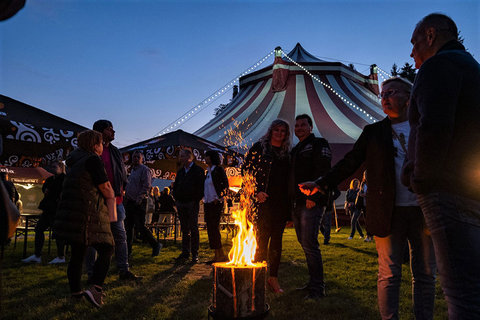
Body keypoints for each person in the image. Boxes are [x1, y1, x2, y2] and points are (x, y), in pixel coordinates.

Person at [300, 77, 436, 319]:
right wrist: (321, 183)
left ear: (409, 98)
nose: (384, 97)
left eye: (391, 92)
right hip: (387, 210)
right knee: (389, 272)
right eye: (382, 93)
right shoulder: (374, 132)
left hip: (423, 209)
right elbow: (350, 162)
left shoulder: (425, 127)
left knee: (425, 272)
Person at [402, 13, 480, 318]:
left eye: (414, 42)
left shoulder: (438, 66)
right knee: (473, 284)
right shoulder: (472, 69)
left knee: (461, 292)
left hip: (446, 189)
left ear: (431, 35)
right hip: (470, 187)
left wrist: (420, 177)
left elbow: (433, 127)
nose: (411, 53)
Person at [53, 130, 116, 308]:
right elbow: (104, 186)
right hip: (87, 212)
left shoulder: (73, 161)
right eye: (101, 143)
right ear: (95, 144)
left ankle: (76, 293)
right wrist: (111, 195)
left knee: (78, 253)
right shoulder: (93, 160)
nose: (103, 146)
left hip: (72, 212)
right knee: (107, 247)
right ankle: (95, 288)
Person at [85, 120, 141, 281]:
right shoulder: (91, 150)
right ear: (100, 132)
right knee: (92, 238)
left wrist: (122, 187)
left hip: (115, 200)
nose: (114, 132)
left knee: (120, 236)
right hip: (96, 200)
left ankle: (124, 270)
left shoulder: (115, 151)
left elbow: (121, 172)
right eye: (110, 129)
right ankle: (91, 273)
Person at [243, 119, 291, 293]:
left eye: (283, 131)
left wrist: (289, 211)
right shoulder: (259, 148)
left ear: (286, 134)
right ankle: (258, 277)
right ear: (271, 131)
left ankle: (273, 278)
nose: (279, 133)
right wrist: (256, 192)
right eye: (276, 129)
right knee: (261, 240)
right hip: (263, 202)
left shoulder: (287, 153)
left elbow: (289, 181)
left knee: (277, 242)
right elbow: (246, 171)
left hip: (280, 203)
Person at [290, 114, 331, 299]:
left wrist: (314, 195)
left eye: (303, 125)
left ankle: (317, 288)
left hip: (311, 200)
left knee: (310, 244)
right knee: (304, 243)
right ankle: (312, 283)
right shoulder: (295, 149)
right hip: (298, 202)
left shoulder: (319, 144)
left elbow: (323, 170)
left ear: (310, 127)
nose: (299, 128)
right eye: (297, 125)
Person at [22, 161, 66, 264]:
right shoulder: (50, 179)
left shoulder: (64, 179)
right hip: (48, 209)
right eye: (52, 167)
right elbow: (45, 188)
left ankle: (61, 256)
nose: (52, 169)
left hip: (57, 210)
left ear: (60, 167)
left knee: (57, 233)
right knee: (39, 229)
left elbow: (60, 192)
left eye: (54, 167)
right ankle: (37, 255)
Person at [124, 151, 162, 257]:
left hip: (139, 201)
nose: (135, 158)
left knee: (140, 226)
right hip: (130, 201)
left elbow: (147, 185)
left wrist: (139, 198)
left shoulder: (144, 170)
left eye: (137, 157)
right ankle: (128, 251)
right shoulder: (132, 170)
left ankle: (155, 244)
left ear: (142, 159)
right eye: (134, 157)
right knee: (129, 227)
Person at [172, 149, 205, 264]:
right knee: (185, 229)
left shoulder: (198, 170)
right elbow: (176, 186)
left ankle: (195, 254)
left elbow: (201, 187)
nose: (180, 158)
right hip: (181, 202)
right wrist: (176, 198)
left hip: (191, 202)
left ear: (189, 157)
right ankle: (185, 252)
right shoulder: (181, 172)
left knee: (193, 228)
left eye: (182, 156)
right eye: (180, 156)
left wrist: (196, 199)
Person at [203, 150, 229, 264]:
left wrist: (219, 198)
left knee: (214, 227)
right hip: (207, 202)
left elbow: (226, 185)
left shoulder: (219, 169)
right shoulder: (208, 172)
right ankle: (216, 254)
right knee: (210, 228)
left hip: (215, 203)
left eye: (207, 156)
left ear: (212, 157)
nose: (205, 158)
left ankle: (221, 254)